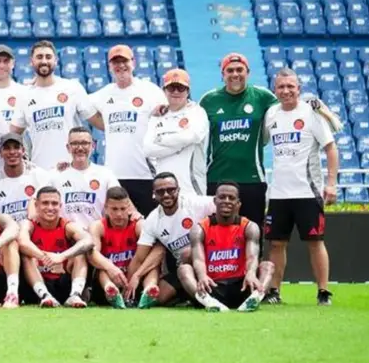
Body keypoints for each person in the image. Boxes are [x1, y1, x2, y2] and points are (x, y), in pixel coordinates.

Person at [262, 68, 339, 306]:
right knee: (276, 243)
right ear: (275, 90)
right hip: (279, 194)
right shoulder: (271, 114)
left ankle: (323, 292)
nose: (286, 91)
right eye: (281, 87)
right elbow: (262, 141)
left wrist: (331, 184)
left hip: (308, 192)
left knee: (315, 242)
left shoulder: (311, 113)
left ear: (299, 88)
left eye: (290, 87)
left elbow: (331, 148)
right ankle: (274, 291)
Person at [198, 52, 279, 227]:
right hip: (216, 178)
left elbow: (287, 109)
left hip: (252, 179)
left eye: (240, 70)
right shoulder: (209, 100)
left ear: (248, 72)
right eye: (230, 70)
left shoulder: (262, 97)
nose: (235, 74)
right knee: (215, 234)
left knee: (253, 235)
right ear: (223, 75)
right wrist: (164, 108)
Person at [89, 45, 166, 214]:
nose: (120, 66)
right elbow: (82, 106)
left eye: (124, 61)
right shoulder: (104, 94)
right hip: (115, 175)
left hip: (145, 174)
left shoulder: (150, 91)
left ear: (134, 63)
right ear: (109, 66)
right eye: (115, 62)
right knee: (118, 227)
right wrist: (106, 126)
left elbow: (166, 117)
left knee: (148, 224)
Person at [178, 182, 275, 312]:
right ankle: (208, 302)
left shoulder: (249, 227)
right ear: (215, 200)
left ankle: (254, 299)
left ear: (238, 203)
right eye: (222, 197)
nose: (226, 201)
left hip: (242, 285)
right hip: (211, 286)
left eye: (231, 198)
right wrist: (202, 276)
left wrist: (251, 273)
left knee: (268, 266)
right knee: (184, 269)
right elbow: (198, 259)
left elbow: (252, 257)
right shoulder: (200, 228)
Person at [10, 40, 102, 169]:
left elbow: (98, 121)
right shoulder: (24, 95)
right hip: (40, 170)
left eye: (48, 57)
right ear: (32, 61)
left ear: (56, 60)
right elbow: (13, 133)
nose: (44, 61)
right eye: (39, 57)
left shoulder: (72, 88)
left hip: (71, 168)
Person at [129, 172, 216, 309]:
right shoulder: (152, 220)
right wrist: (133, 279)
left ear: (178, 190)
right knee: (160, 297)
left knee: (188, 252)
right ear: (154, 194)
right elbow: (140, 256)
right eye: (160, 191)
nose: (166, 195)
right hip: (182, 267)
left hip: (211, 259)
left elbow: (225, 203)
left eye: (171, 190)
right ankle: (187, 295)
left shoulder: (195, 203)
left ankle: (197, 296)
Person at [18, 186, 92, 308]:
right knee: (26, 254)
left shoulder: (67, 225)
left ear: (60, 206)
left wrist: (61, 257)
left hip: (63, 282)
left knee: (81, 251)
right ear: (36, 205)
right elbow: (22, 242)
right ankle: (45, 296)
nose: (50, 208)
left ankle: (75, 295)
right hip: (38, 284)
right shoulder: (29, 224)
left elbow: (89, 240)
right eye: (45, 203)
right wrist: (46, 258)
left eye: (54, 204)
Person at [144, 68, 210, 196]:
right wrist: (179, 146)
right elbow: (147, 149)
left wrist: (161, 139)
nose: (176, 92)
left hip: (191, 188)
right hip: (163, 190)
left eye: (180, 88)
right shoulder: (157, 116)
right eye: (171, 88)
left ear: (188, 91)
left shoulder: (197, 112)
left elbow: (193, 136)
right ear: (164, 90)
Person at [88, 187, 147, 308]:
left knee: (152, 266)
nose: (119, 214)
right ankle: (111, 291)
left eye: (123, 209)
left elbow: (153, 250)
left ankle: (149, 290)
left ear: (129, 208)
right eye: (114, 209)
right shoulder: (97, 226)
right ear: (106, 208)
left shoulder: (139, 225)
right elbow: (92, 254)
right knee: (101, 266)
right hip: (108, 278)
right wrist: (110, 267)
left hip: (134, 279)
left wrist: (137, 274)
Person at [52, 127, 121, 228]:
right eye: (75, 143)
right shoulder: (56, 173)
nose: (80, 148)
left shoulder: (106, 174)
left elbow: (121, 199)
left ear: (93, 146)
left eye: (85, 143)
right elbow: (35, 200)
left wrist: (136, 215)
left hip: (96, 234)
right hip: (65, 235)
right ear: (68, 147)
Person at [0, 133, 56, 224]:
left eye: (16, 147)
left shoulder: (39, 175)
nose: (12, 152)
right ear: (0, 153)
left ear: (23, 151)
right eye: (7, 148)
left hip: (34, 232)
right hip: (6, 233)